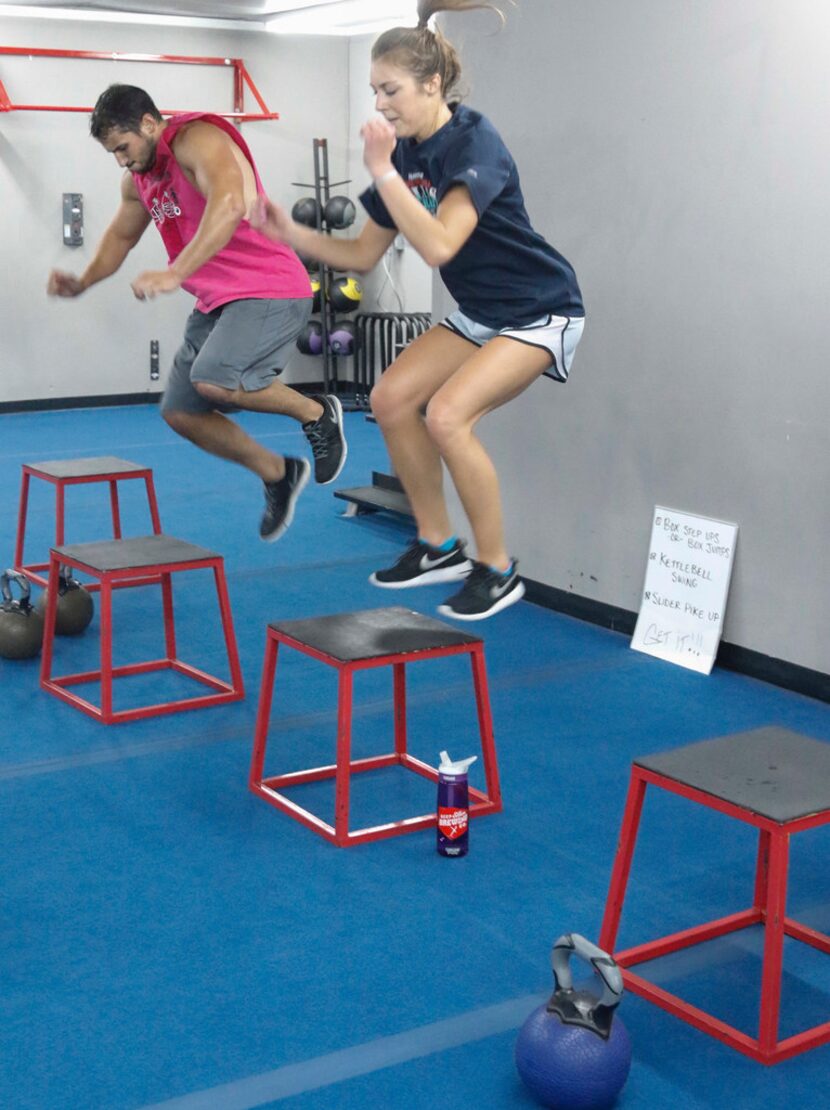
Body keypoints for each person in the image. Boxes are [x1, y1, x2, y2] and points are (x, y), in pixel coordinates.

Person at [252, 0, 584, 619]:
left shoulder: (472, 140)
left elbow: (437, 245)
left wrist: (380, 170)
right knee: (390, 398)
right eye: (374, 90)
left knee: (449, 416)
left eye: (390, 89)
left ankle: (497, 568)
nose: (379, 103)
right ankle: (437, 545)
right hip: (484, 310)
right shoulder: (405, 153)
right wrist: (286, 233)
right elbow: (358, 254)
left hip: (540, 308)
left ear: (432, 84)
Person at [47, 84, 347, 543]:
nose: (122, 161)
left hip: (269, 287)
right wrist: (84, 280)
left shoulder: (198, 139)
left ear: (149, 124)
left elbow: (228, 204)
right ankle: (277, 473)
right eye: (113, 153)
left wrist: (174, 273)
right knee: (183, 411)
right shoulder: (140, 180)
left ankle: (316, 412)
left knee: (214, 379)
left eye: (124, 148)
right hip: (217, 299)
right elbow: (121, 237)